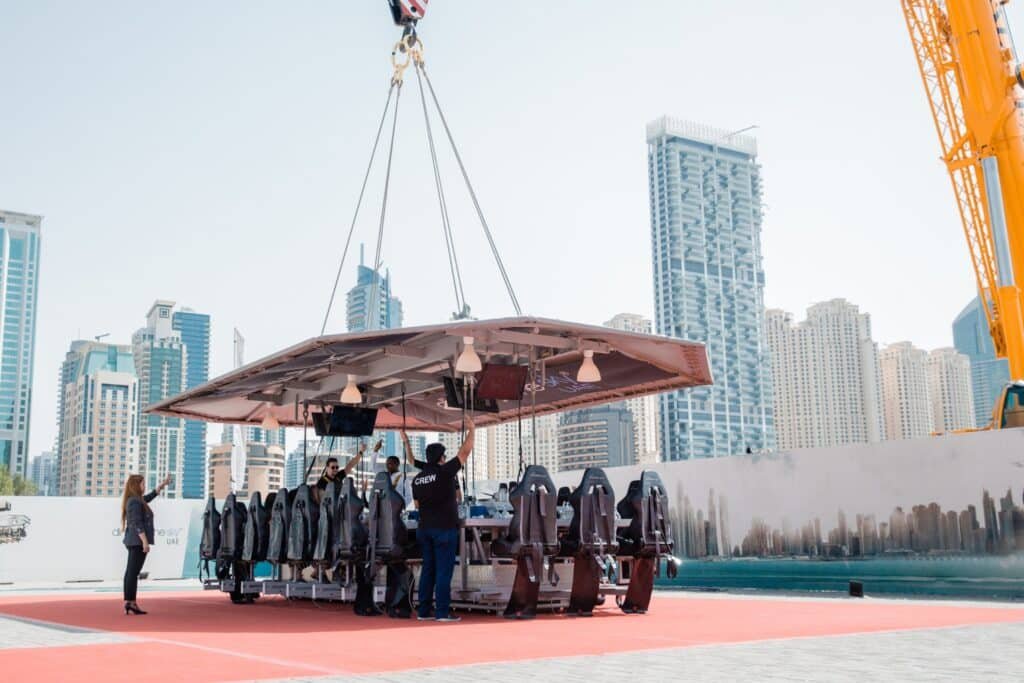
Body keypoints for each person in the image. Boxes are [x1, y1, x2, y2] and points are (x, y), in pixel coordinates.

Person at [412, 417, 474, 623]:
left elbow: (418, 505)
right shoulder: (445, 472)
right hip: (444, 528)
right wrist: (471, 430)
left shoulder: (417, 479)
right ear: (441, 458)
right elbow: (464, 453)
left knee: (428, 569)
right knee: (443, 570)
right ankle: (442, 612)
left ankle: (423, 611)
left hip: (424, 528)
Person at [121, 473, 172, 615]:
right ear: (136, 486)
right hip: (137, 542)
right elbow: (137, 523)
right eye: (142, 484)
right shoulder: (134, 502)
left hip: (134, 541)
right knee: (132, 572)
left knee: (131, 572)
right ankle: (130, 602)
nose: (144, 486)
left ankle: (130, 602)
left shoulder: (137, 500)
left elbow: (149, 497)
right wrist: (144, 541)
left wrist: (162, 485)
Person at [315, 440, 381, 497]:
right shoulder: (322, 482)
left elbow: (351, 464)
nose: (335, 469)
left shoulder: (339, 475)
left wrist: (361, 452)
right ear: (327, 468)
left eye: (337, 467)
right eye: (333, 467)